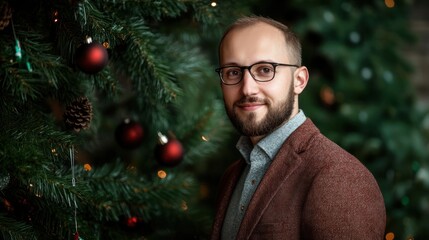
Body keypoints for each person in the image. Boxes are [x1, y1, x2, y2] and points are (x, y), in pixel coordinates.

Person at [210, 16, 386, 240]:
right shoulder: (232, 175)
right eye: (233, 72)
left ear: (299, 80)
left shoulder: (339, 176)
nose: (247, 89)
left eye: (265, 70)